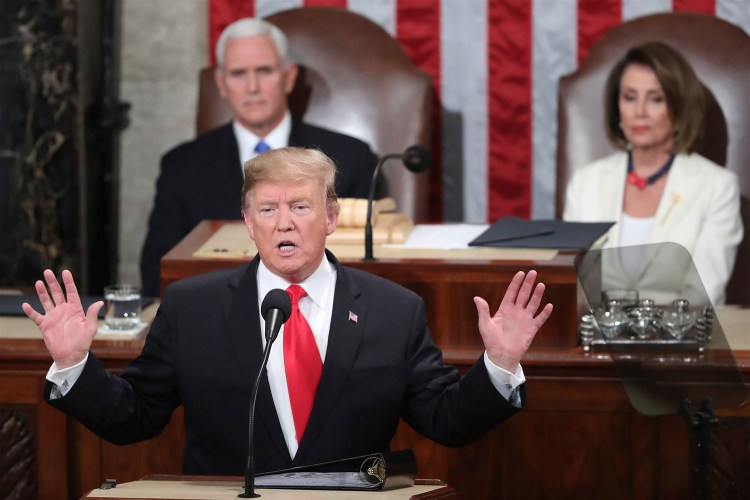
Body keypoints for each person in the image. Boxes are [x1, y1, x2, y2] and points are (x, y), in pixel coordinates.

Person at [24, 147, 553, 476]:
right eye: (268, 209)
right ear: (248, 223)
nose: (284, 224)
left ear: (331, 217)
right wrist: (74, 365)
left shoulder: (394, 311)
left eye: (300, 207)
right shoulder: (193, 307)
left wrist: (499, 365)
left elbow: (447, 421)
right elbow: (133, 417)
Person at [140, 17, 377, 298]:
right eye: (238, 74)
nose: (252, 87)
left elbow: (365, 270)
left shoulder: (349, 158)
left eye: (264, 71)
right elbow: (158, 272)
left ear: (288, 77)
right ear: (221, 83)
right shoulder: (182, 166)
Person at [563, 41, 742, 305]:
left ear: (679, 107)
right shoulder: (586, 183)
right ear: (617, 108)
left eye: (655, 99)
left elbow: (704, 295)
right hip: (596, 339)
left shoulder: (717, 187)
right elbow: (574, 286)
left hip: (679, 341)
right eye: (630, 97)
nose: (640, 112)